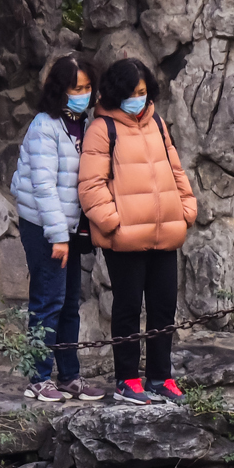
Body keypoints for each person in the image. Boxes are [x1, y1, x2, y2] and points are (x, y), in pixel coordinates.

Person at [77, 58, 197, 405]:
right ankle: (127, 379)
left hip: (164, 234)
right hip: (125, 240)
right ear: (117, 94)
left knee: (163, 308)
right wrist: (114, 223)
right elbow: (91, 185)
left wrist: (187, 209)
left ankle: (161, 376)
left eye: (143, 92)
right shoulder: (102, 129)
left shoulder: (157, 123)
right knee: (128, 308)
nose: (138, 99)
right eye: (132, 93)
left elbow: (175, 170)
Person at [9, 54, 103, 403]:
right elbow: (44, 186)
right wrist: (58, 236)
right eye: (76, 88)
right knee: (48, 301)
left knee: (69, 304)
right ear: (59, 90)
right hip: (46, 226)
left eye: (87, 87)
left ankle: (69, 376)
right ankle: (39, 377)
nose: (83, 93)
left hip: (71, 229)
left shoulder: (85, 123)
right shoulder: (44, 126)